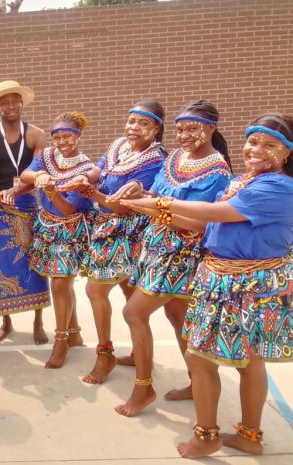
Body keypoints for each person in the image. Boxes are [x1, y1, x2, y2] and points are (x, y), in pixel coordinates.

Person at [122, 114, 293, 458]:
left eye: (270, 145)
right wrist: (152, 211)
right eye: (253, 141)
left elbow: (216, 214)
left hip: (248, 286)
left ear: (287, 153)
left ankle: (209, 436)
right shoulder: (244, 180)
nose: (257, 150)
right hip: (221, 279)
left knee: (209, 360)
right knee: (238, 362)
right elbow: (204, 226)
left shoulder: (279, 187)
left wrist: (161, 204)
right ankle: (248, 436)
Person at [114, 100, 232, 417]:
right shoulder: (177, 157)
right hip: (158, 248)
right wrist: (140, 190)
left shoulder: (218, 170)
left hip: (184, 256)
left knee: (133, 313)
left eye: (192, 129)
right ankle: (197, 382)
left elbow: (203, 222)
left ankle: (143, 387)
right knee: (178, 318)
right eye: (179, 129)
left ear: (211, 129)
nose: (183, 136)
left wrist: (152, 209)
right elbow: (157, 191)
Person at [79, 102, 167, 384]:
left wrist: (92, 194)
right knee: (130, 295)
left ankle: (105, 354)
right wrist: (83, 177)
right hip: (106, 226)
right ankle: (144, 357)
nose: (134, 128)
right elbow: (99, 170)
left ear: (156, 129)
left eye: (143, 123)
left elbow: (124, 207)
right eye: (131, 121)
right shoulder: (119, 145)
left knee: (96, 290)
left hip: (127, 232)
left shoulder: (155, 159)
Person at [19, 111, 100, 368]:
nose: (62, 141)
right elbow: (24, 175)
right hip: (46, 225)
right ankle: (74, 331)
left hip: (71, 229)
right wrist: (38, 176)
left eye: (68, 136)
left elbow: (67, 209)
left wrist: (51, 188)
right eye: (57, 137)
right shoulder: (46, 156)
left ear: (78, 136)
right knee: (62, 283)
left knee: (60, 283)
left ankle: (61, 339)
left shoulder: (87, 168)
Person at [0, 80, 51, 344]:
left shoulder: (36, 135)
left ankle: (38, 321)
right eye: (4, 102)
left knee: (35, 265)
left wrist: (15, 192)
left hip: (27, 206)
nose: (10, 106)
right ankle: (6, 321)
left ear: (21, 103)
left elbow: (39, 174)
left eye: (14, 101)